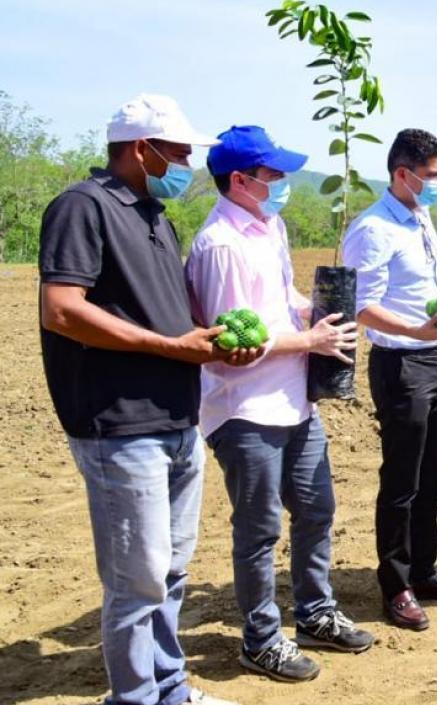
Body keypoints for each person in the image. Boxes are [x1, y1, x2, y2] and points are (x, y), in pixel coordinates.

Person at [37, 94, 241, 705]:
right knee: (137, 578)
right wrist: (167, 346)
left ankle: (169, 686)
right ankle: (134, 697)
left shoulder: (155, 213)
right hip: (120, 424)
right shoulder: (82, 207)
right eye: (178, 153)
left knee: (171, 571)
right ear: (139, 149)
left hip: (179, 417)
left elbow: (165, 310)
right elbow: (62, 310)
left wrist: (215, 339)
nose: (185, 164)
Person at [185, 125, 374, 682]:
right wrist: (310, 341)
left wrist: (314, 315)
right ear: (240, 180)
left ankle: (315, 613)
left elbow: (279, 299)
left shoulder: (270, 227)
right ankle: (262, 640)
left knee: (317, 510)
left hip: (294, 401)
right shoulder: (220, 245)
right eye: (274, 175)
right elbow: (233, 342)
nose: (284, 183)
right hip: (245, 409)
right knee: (260, 529)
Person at [341, 129, 437, 631]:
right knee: (402, 479)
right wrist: (417, 330)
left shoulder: (419, 217)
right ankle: (396, 584)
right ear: (403, 174)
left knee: (434, 473)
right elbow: (361, 305)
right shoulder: (373, 229)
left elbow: (420, 281)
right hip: (403, 366)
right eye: (433, 176)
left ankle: (423, 570)